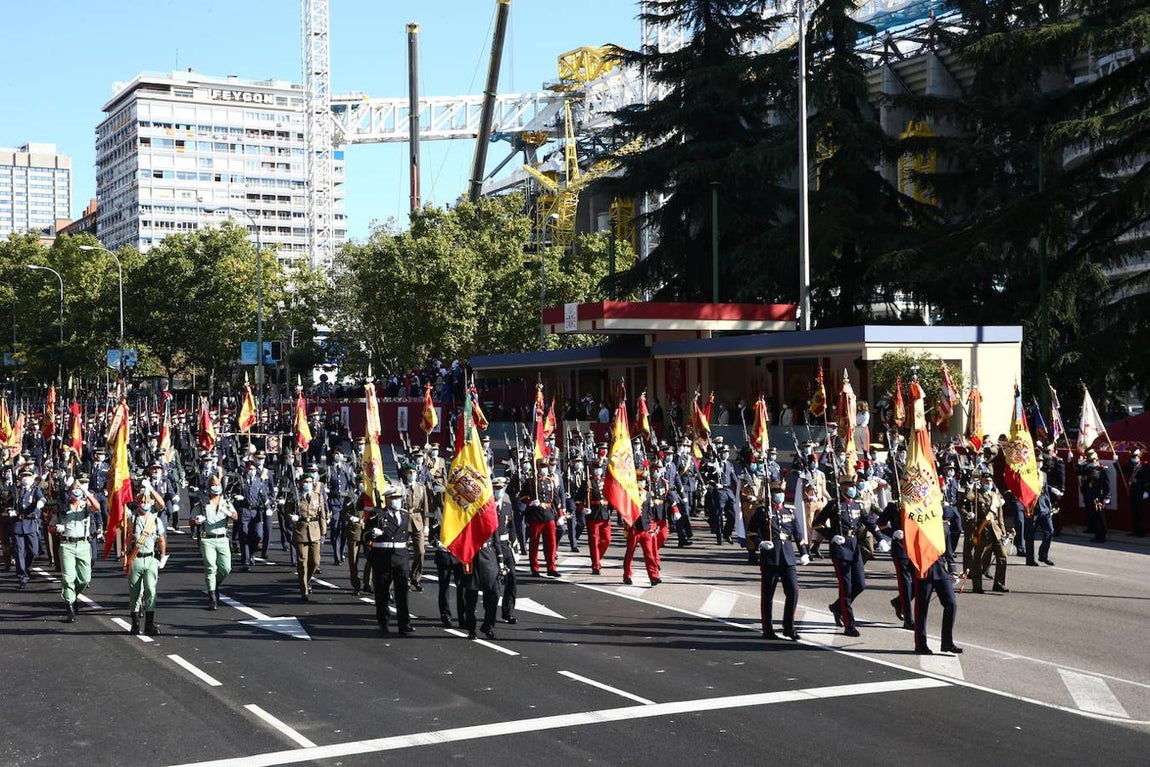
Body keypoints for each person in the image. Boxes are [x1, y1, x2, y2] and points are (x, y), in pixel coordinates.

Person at [813, 477, 881, 637]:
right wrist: (832, 535)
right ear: (842, 488)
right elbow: (817, 524)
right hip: (840, 548)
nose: (852, 488)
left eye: (853, 486)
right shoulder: (834, 505)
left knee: (860, 584)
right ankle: (849, 624)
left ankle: (837, 607)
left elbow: (869, 521)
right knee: (846, 587)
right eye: (849, 486)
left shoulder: (857, 504)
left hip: (853, 547)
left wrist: (880, 537)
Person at [748, 480, 804, 641]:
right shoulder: (762, 511)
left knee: (793, 591)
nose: (780, 495)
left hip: (788, 558)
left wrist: (804, 552)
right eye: (777, 492)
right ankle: (768, 629)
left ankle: (789, 627)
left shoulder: (789, 511)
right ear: (771, 494)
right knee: (768, 596)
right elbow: (751, 532)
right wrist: (760, 543)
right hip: (770, 558)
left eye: (781, 492)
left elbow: (798, 534)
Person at [364, 485, 415, 635]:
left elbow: (407, 536)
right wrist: (372, 533)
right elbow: (365, 535)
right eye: (393, 499)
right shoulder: (377, 515)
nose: (397, 501)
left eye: (398, 498)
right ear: (386, 500)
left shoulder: (405, 516)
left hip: (400, 557)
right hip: (382, 556)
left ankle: (404, 623)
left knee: (402, 592)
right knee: (382, 593)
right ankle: (383, 622)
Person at [54, 476, 101, 622]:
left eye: (78, 490)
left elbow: (97, 507)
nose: (76, 492)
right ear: (69, 493)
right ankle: (70, 607)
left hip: (83, 544)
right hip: (67, 544)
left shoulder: (85, 506)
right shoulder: (62, 508)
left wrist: (86, 493)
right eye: (73, 490)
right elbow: (50, 526)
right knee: (68, 578)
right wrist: (57, 528)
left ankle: (73, 594)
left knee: (85, 578)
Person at [912, 531, 962, 656]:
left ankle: (947, 642)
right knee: (921, 608)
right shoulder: (920, 525)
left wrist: (953, 571)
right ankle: (920, 643)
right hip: (923, 569)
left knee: (951, 603)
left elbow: (948, 551)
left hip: (940, 568)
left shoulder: (943, 526)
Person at [125, 494, 168, 636]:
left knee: (151, 590)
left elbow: (161, 539)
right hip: (136, 558)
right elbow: (129, 538)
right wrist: (126, 557)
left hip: (150, 559)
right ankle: (135, 624)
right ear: (137, 503)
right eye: (142, 501)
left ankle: (149, 624)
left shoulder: (155, 520)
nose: (145, 504)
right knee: (135, 592)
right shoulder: (132, 518)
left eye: (147, 501)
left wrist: (162, 557)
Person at [192, 471, 236, 610]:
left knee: (226, 568)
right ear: (208, 487)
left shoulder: (226, 502)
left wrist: (228, 512)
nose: (215, 487)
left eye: (217, 484)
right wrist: (197, 520)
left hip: (222, 539)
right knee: (211, 567)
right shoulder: (203, 504)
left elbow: (235, 517)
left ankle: (214, 584)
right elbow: (191, 521)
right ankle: (212, 597)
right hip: (207, 539)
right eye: (213, 485)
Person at [286, 468, 327, 601]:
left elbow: (322, 515)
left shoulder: (317, 496)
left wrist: (324, 531)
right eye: (305, 481)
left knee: (315, 562)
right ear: (301, 483)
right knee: (302, 562)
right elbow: (287, 512)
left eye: (309, 481)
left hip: (315, 531)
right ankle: (304, 590)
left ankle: (307, 580)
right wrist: (291, 517)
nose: (307, 484)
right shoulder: (295, 496)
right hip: (300, 531)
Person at [968, 468, 1009, 594]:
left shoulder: (995, 495)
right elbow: (967, 499)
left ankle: (999, 583)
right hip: (982, 529)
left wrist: (1003, 532)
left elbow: (1000, 516)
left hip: (996, 530)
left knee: (1002, 556)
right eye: (986, 481)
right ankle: (977, 585)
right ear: (981, 482)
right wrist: (970, 487)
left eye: (990, 481)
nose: (989, 483)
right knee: (979, 559)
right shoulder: (976, 494)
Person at [522, 458, 560, 577]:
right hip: (536, 515)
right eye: (542, 466)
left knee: (551, 543)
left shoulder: (551, 481)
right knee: (534, 542)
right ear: (537, 467)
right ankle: (534, 567)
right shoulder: (531, 481)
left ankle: (551, 567)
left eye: (545, 466)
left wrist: (560, 514)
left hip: (549, 515)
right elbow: (522, 496)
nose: (544, 468)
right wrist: (530, 502)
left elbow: (556, 500)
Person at [622, 471, 661, 586]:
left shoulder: (648, 494)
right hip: (634, 528)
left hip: (645, 529)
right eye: (640, 480)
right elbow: (625, 511)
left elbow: (649, 512)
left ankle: (654, 576)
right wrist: (627, 523)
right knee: (630, 553)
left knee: (649, 554)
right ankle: (627, 575)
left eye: (643, 480)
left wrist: (652, 525)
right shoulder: (630, 494)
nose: (642, 482)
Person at [11, 467, 46, 589]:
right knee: (19, 552)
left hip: (30, 523)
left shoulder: (35, 490)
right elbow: (8, 502)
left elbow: (41, 499)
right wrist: (10, 510)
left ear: (32, 478)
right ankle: (22, 576)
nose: (25, 478)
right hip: (18, 524)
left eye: (28, 476)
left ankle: (25, 566)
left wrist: (40, 505)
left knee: (33, 550)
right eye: (23, 476)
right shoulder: (15, 490)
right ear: (20, 477)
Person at [1078, 449, 1112, 543]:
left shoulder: (1102, 470)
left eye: (1092, 460)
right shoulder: (1088, 469)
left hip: (1099, 497)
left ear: (1096, 460)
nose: (1091, 462)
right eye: (1089, 461)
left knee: (1100, 517)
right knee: (1094, 517)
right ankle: (1097, 535)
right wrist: (1080, 463)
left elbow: (1107, 485)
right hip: (1090, 496)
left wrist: (1107, 497)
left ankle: (1101, 536)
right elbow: (1078, 471)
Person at [585, 459, 613, 575]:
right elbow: (578, 500)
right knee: (594, 541)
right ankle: (596, 565)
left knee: (607, 540)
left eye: (600, 468)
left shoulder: (606, 482)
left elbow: (611, 498)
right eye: (596, 468)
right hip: (593, 515)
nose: (598, 470)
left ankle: (597, 558)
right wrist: (584, 508)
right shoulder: (588, 483)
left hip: (605, 515)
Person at [1127, 449, 1146, 537]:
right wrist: (1116, 462)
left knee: (1139, 512)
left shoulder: (1144, 466)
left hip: (1140, 492)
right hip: (1132, 491)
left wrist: (1147, 491)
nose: (1133, 458)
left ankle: (1141, 532)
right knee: (1133, 512)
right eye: (1132, 457)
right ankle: (1134, 530)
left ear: (1139, 456)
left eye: (1134, 456)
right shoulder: (1130, 464)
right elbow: (1120, 470)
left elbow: (1148, 480)